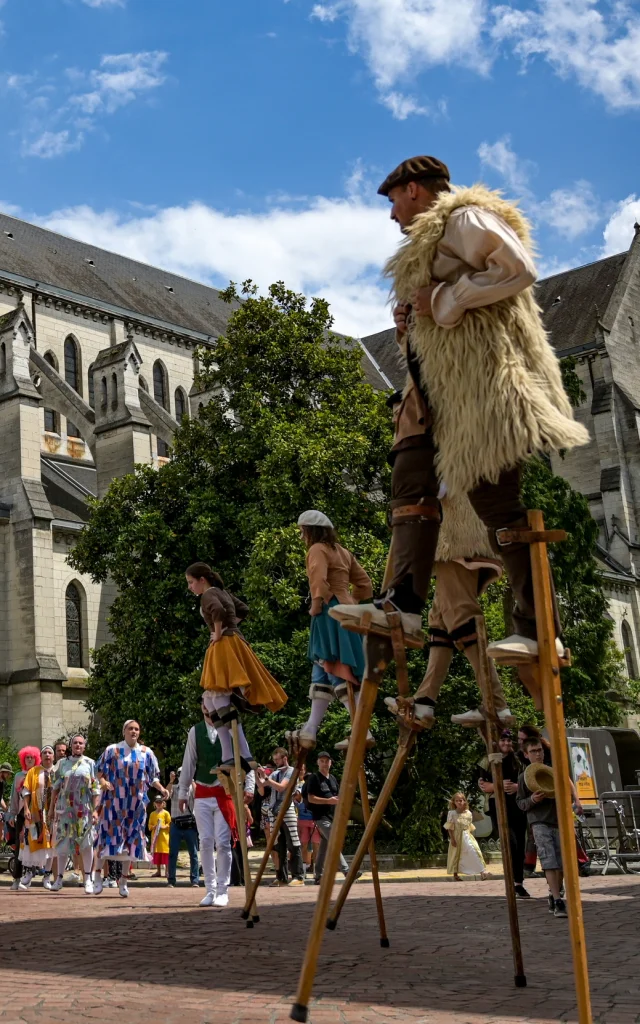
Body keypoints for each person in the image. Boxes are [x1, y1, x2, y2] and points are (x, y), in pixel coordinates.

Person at [328, 156, 588, 703]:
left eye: (394, 200)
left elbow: (516, 269)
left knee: (500, 510)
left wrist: (443, 300)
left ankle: (536, 627)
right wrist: (409, 329)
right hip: (435, 400)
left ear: (416, 189)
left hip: (480, 395)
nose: (392, 214)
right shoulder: (426, 247)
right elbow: (438, 333)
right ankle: (403, 603)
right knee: (409, 484)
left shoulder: (464, 218)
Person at [384, 490, 511, 726]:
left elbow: (439, 487)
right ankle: (425, 701)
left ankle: (497, 704)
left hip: (456, 540)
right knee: (440, 624)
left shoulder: (453, 457)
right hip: (455, 539)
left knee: (463, 620)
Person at [185, 562, 287, 769]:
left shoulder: (208, 595)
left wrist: (219, 632)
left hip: (224, 646)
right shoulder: (222, 592)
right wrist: (230, 627)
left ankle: (237, 755)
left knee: (216, 697)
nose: (190, 587)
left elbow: (218, 611)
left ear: (202, 580)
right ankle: (233, 755)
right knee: (213, 701)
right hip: (233, 642)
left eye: (191, 582)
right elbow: (243, 609)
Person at [291, 511, 373, 751]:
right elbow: (365, 583)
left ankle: (362, 729)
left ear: (310, 530)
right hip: (347, 612)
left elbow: (319, 581)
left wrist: (318, 605)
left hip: (330, 612)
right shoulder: (343, 551)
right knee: (322, 668)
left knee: (337, 668)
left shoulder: (317, 549)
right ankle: (310, 729)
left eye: (302, 531)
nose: (301, 535)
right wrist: (351, 603)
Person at [178, 695, 255, 907]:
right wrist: (183, 792)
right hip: (202, 792)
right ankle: (210, 889)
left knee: (222, 842)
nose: (208, 711)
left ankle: (223, 889)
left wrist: (250, 785)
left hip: (224, 792)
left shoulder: (230, 728)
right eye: (205, 706)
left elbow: (245, 757)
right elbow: (189, 761)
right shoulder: (195, 731)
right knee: (204, 841)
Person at [93, 720, 168, 898]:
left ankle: (124, 881)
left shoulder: (146, 753)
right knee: (106, 838)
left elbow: (152, 777)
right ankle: (97, 877)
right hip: (114, 804)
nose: (133, 731)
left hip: (135, 806)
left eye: (136, 729)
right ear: (124, 731)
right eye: (130, 729)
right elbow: (98, 771)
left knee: (131, 842)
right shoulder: (112, 750)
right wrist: (103, 783)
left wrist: (162, 788)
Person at [516, 737, 583, 917]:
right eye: (533, 751)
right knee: (549, 860)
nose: (537, 754)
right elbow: (520, 803)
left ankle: (553, 895)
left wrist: (572, 801)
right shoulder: (524, 777)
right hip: (539, 822)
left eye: (539, 750)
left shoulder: (554, 772)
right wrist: (532, 800)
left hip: (559, 820)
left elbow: (567, 793)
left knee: (561, 863)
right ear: (526, 754)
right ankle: (558, 899)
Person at [478, 730, 529, 898]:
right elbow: (485, 785)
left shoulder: (518, 761)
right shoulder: (488, 760)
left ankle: (518, 883)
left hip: (517, 805)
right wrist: (498, 785)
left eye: (509, 741)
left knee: (520, 844)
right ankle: (510, 880)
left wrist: (516, 787)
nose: (506, 744)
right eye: (503, 741)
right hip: (498, 805)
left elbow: (527, 780)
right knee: (509, 842)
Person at [49, 734, 101, 894]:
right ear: (71, 746)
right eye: (75, 743)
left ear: (84, 746)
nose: (78, 745)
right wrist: (51, 808)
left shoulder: (90, 763)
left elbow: (96, 789)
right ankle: (58, 879)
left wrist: (95, 810)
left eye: (81, 743)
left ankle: (87, 879)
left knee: (86, 844)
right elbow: (55, 787)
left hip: (84, 810)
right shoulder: (62, 763)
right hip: (65, 810)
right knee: (63, 844)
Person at [257, 747, 304, 887]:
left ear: (285, 758)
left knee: (293, 842)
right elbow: (261, 789)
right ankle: (282, 877)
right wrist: (257, 776)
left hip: (286, 809)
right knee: (279, 845)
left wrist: (266, 778)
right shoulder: (275, 773)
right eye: (275, 760)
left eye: (278, 760)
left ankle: (298, 876)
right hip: (273, 811)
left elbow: (281, 787)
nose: (276, 762)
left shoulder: (291, 771)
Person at [304, 753, 350, 883]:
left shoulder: (333, 778)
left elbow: (338, 797)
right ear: (318, 763)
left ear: (331, 763)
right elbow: (311, 798)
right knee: (334, 842)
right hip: (320, 817)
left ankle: (318, 875)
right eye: (322, 761)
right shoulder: (314, 778)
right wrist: (327, 801)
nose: (324, 763)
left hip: (333, 817)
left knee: (324, 847)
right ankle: (347, 871)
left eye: (327, 761)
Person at [19, 746, 56, 889]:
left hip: (52, 813)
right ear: (41, 756)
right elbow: (26, 791)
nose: (47, 755)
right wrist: (26, 808)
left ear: (53, 756)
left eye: (50, 753)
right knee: (31, 841)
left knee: (51, 844)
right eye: (44, 753)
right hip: (35, 812)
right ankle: (28, 874)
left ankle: (47, 876)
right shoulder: (34, 771)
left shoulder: (57, 771)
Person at [6, 748, 37, 890]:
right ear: (23, 759)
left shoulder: (39, 774)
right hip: (20, 814)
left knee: (34, 845)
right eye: (27, 757)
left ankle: (30, 875)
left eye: (31, 757)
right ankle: (17, 878)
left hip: (36, 815)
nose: (29, 759)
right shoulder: (18, 776)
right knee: (20, 845)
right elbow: (13, 797)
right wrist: (11, 814)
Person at [444, 792, 490, 881]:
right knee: (456, 854)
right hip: (457, 836)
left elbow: (469, 826)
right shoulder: (452, 813)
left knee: (475, 850)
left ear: (464, 801)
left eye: (461, 800)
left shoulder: (468, 813)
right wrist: (452, 839)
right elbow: (450, 828)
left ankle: (482, 872)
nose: (459, 802)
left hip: (467, 835)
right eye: (457, 801)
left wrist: (471, 837)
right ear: (454, 802)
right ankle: (455, 874)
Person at [167, 769, 200, 888]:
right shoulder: (175, 788)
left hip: (189, 824)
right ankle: (171, 880)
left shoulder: (191, 787)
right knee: (172, 853)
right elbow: (166, 794)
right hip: (176, 823)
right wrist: (171, 781)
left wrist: (191, 780)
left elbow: (198, 794)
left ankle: (195, 880)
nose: (182, 777)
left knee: (194, 853)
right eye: (180, 774)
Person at [295, 775, 321, 880]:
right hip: (303, 820)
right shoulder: (300, 790)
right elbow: (294, 800)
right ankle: (303, 870)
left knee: (316, 845)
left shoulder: (317, 791)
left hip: (314, 820)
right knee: (303, 845)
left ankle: (316, 871)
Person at [149, 795, 171, 878]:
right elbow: (149, 825)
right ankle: (158, 871)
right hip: (155, 837)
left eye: (160, 802)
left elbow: (169, 823)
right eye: (157, 802)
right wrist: (154, 827)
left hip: (164, 837)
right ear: (155, 803)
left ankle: (167, 871)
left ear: (163, 803)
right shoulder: (152, 814)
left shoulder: (166, 813)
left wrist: (164, 826)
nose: (159, 804)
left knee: (165, 853)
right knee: (157, 853)